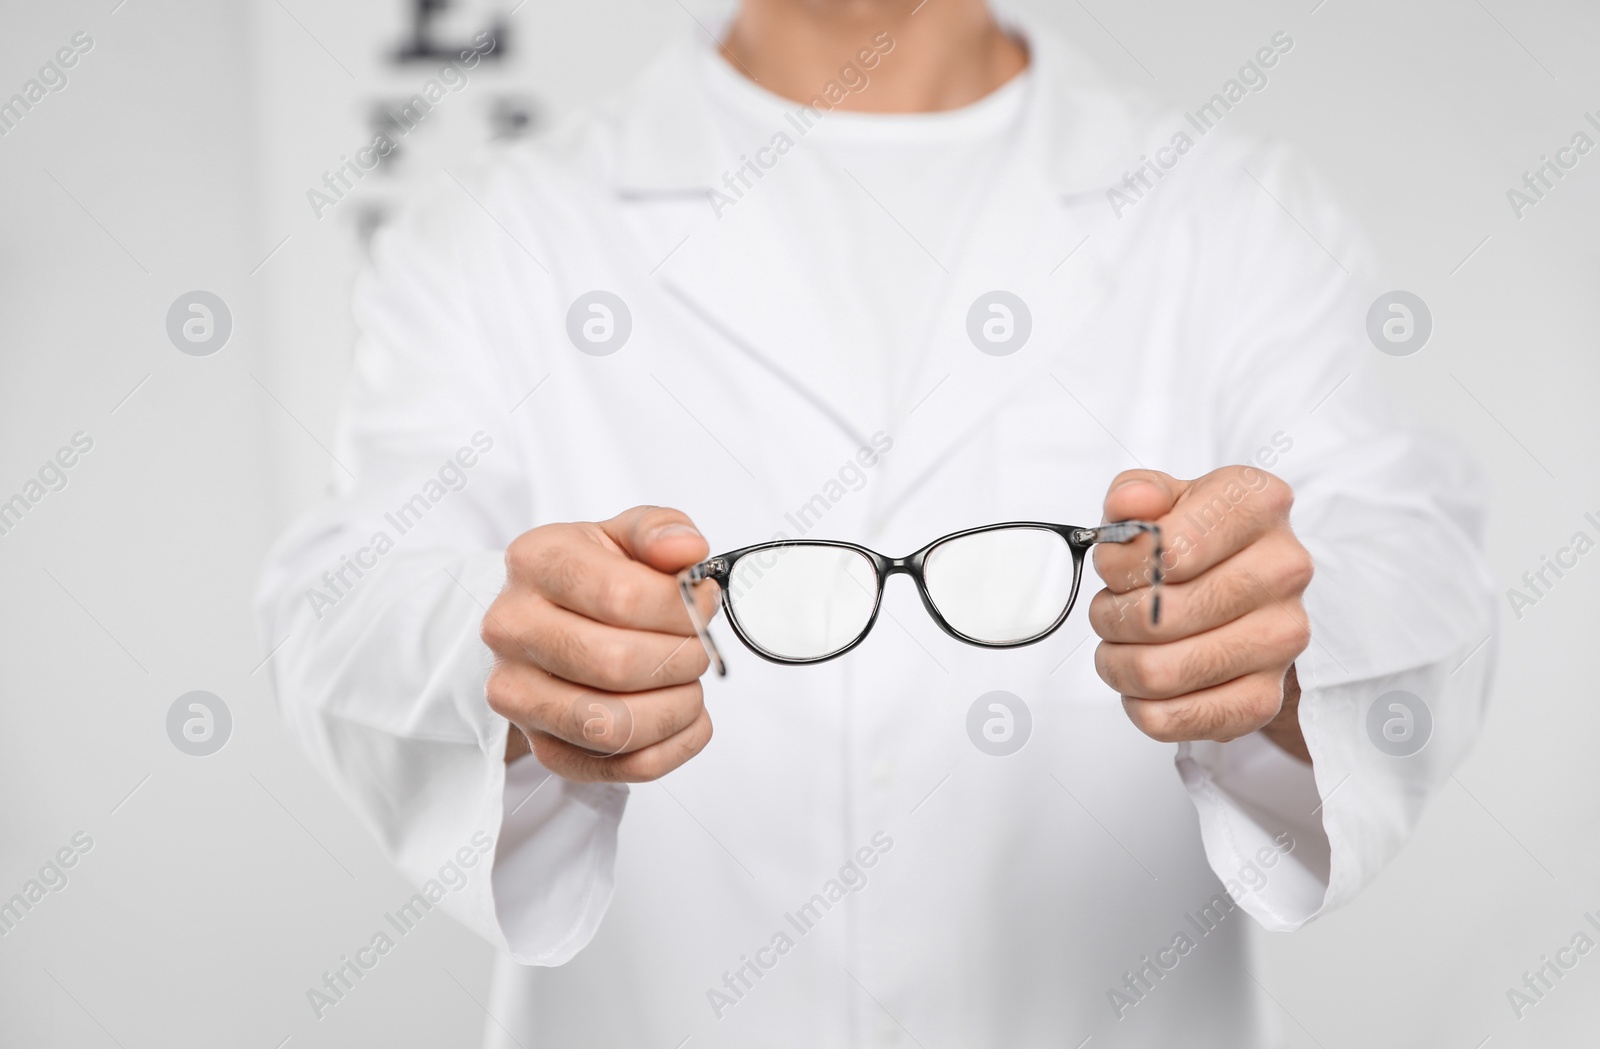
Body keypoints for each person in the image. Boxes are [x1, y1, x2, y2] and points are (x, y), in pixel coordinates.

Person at [256, 1, 1494, 1045]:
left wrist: (1283, 633)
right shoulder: (498, 233)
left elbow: (1416, 560)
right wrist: (507, 645)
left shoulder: (1230, 217)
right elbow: (343, 597)